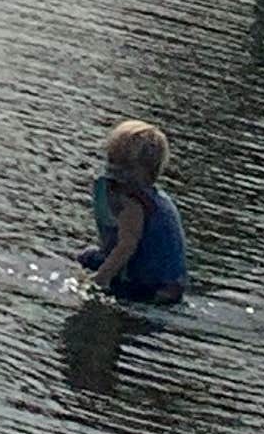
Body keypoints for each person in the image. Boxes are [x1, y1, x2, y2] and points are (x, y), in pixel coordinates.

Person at [79, 117, 187, 305]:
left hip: (149, 285)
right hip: (167, 282)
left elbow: (127, 245)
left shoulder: (133, 202)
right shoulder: (151, 197)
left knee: (87, 264)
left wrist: (100, 279)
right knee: (88, 257)